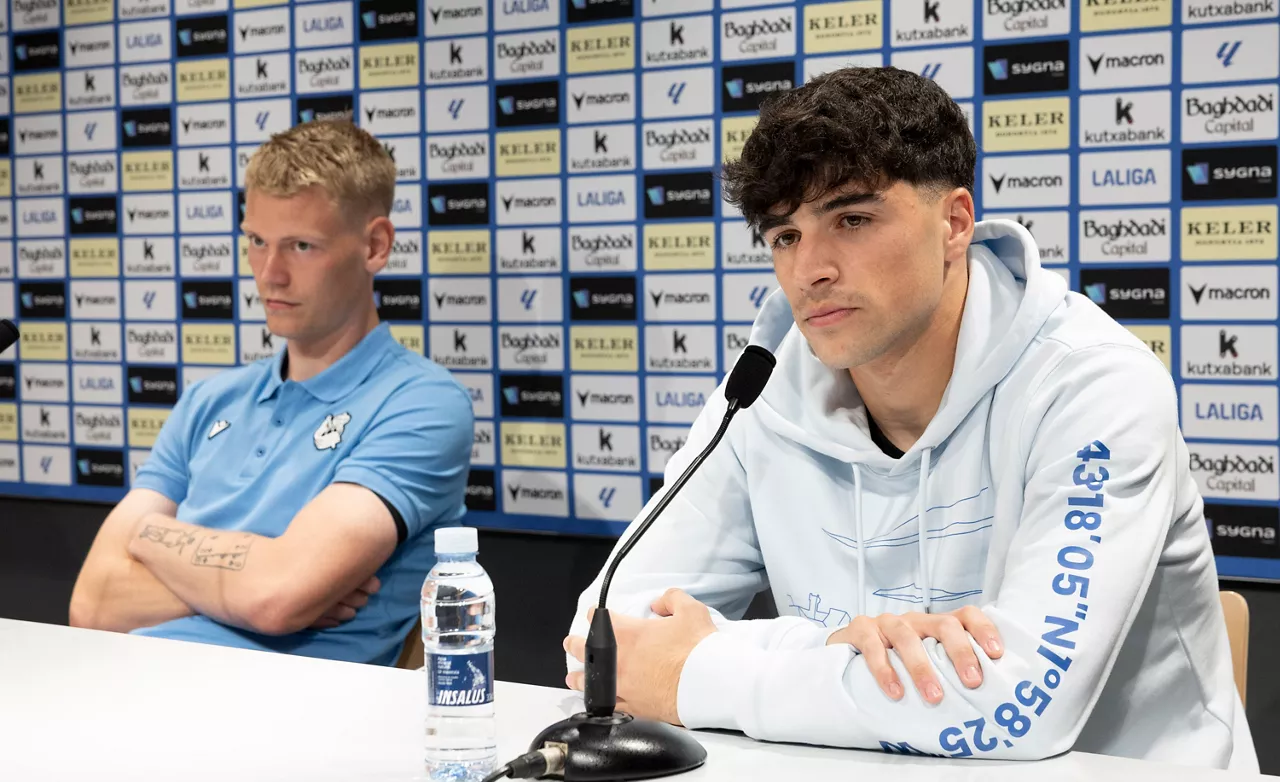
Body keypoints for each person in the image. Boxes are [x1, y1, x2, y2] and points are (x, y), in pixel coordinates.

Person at [565, 67, 1256, 770]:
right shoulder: (762, 387)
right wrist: (829, 651)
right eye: (783, 237)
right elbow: (608, 640)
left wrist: (703, 671)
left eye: (852, 220)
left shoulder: (1093, 385)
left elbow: (1019, 711)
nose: (810, 271)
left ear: (954, 223)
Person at [69, 120, 474, 666]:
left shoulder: (422, 402)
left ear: (375, 245)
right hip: (135, 689)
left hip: (300, 725)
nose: (269, 274)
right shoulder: (209, 401)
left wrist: (152, 540)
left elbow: (278, 597)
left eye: (301, 246)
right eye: (256, 241)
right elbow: (92, 605)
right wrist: (256, 579)